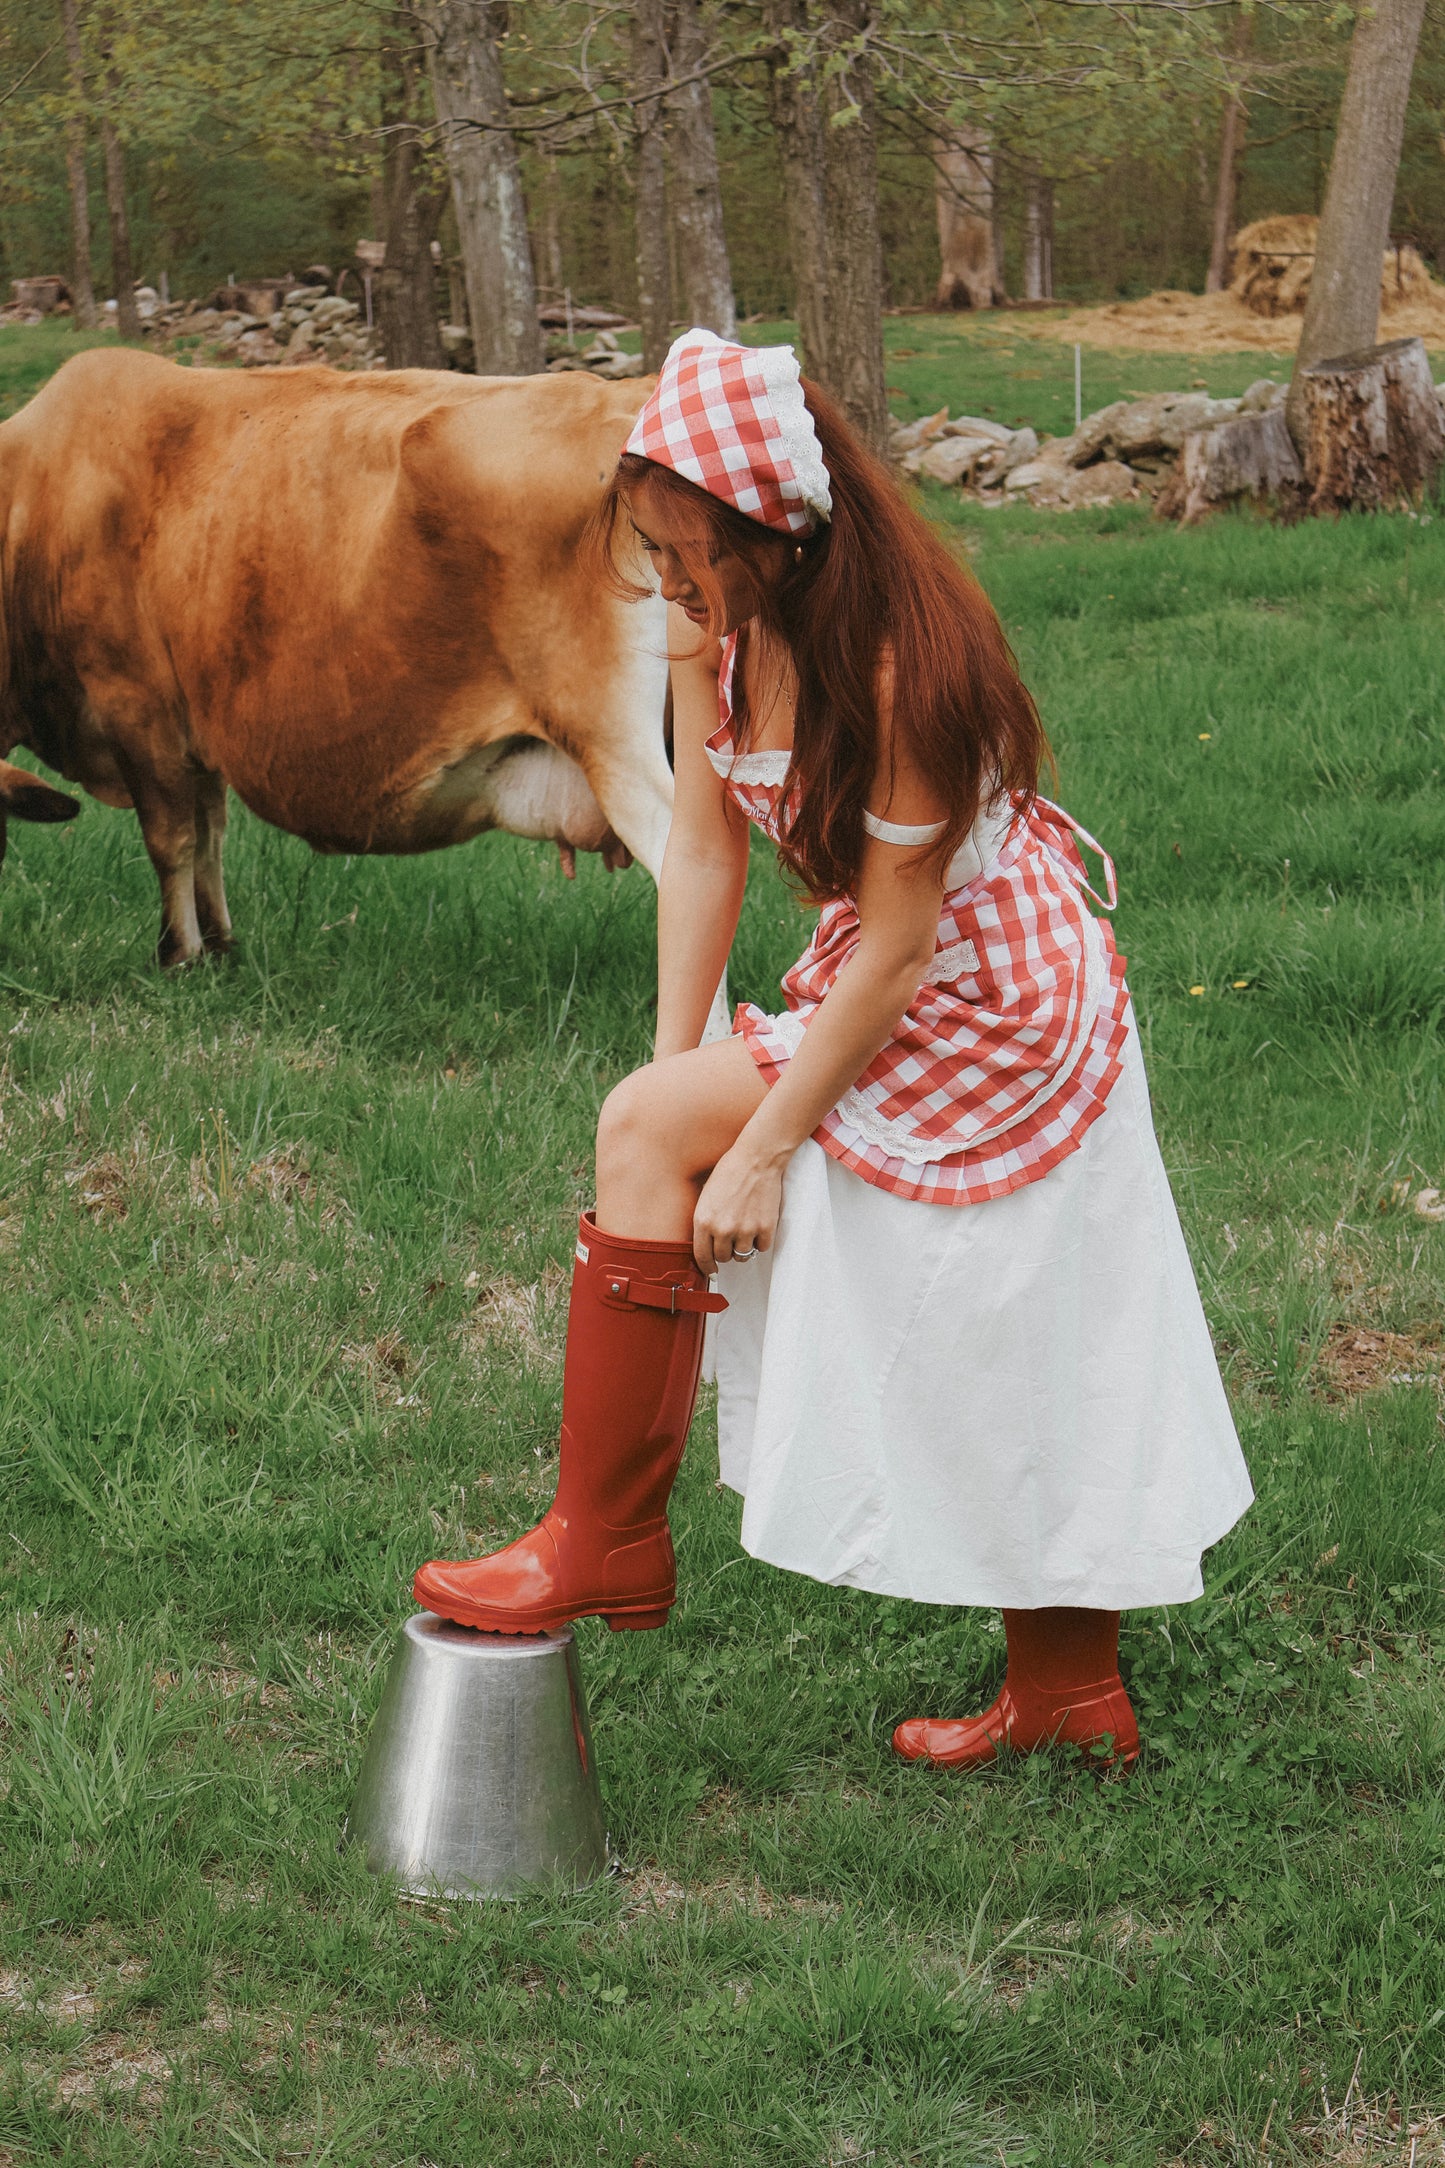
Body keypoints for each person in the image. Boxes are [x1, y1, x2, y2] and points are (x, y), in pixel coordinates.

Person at [412, 329, 1253, 1771]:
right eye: (649, 547)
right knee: (655, 1126)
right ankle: (625, 1542)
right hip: (893, 966)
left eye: (687, 552)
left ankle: (622, 1547)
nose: (666, 583)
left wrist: (756, 1145)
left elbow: (907, 950)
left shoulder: (906, 665)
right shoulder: (712, 628)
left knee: (1039, 1329)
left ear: (773, 531)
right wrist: (671, 1079)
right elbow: (700, 846)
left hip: (995, 998)